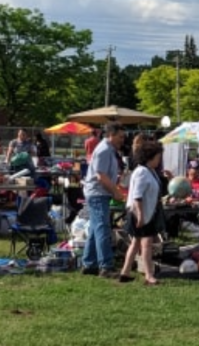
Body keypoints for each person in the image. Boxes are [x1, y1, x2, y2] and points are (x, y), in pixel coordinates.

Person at [81, 122, 126, 278]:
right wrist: (115, 192)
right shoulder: (104, 150)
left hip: (98, 193)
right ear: (111, 135)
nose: (123, 140)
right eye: (120, 137)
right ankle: (106, 266)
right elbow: (101, 176)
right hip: (97, 194)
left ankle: (89, 264)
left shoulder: (109, 149)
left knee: (95, 229)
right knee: (103, 229)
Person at [118, 141, 164, 286]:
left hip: (144, 212)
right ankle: (149, 276)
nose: (159, 160)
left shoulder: (149, 171)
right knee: (146, 244)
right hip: (140, 214)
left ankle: (125, 272)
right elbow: (137, 196)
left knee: (136, 242)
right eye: (158, 157)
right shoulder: (142, 172)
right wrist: (141, 216)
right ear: (150, 157)